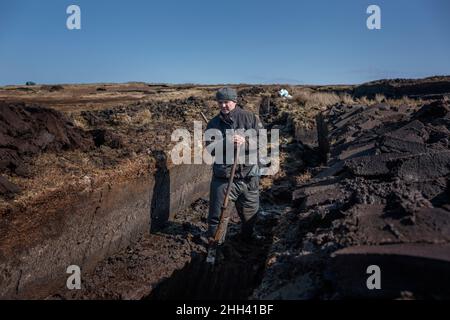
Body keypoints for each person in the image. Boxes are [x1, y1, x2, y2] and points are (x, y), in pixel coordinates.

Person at [205, 87, 264, 242]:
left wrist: (246, 141)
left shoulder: (250, 118)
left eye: (227, 102)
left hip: (248, 176)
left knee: (250, 214)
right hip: (224, 179)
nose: (223, 105)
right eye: (220, 102)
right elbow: (210, 148)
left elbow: (262, 141)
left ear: (234, 101)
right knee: (217, 217)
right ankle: (215, 245)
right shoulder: (213, 123)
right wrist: (226, 142)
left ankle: (247, 239)